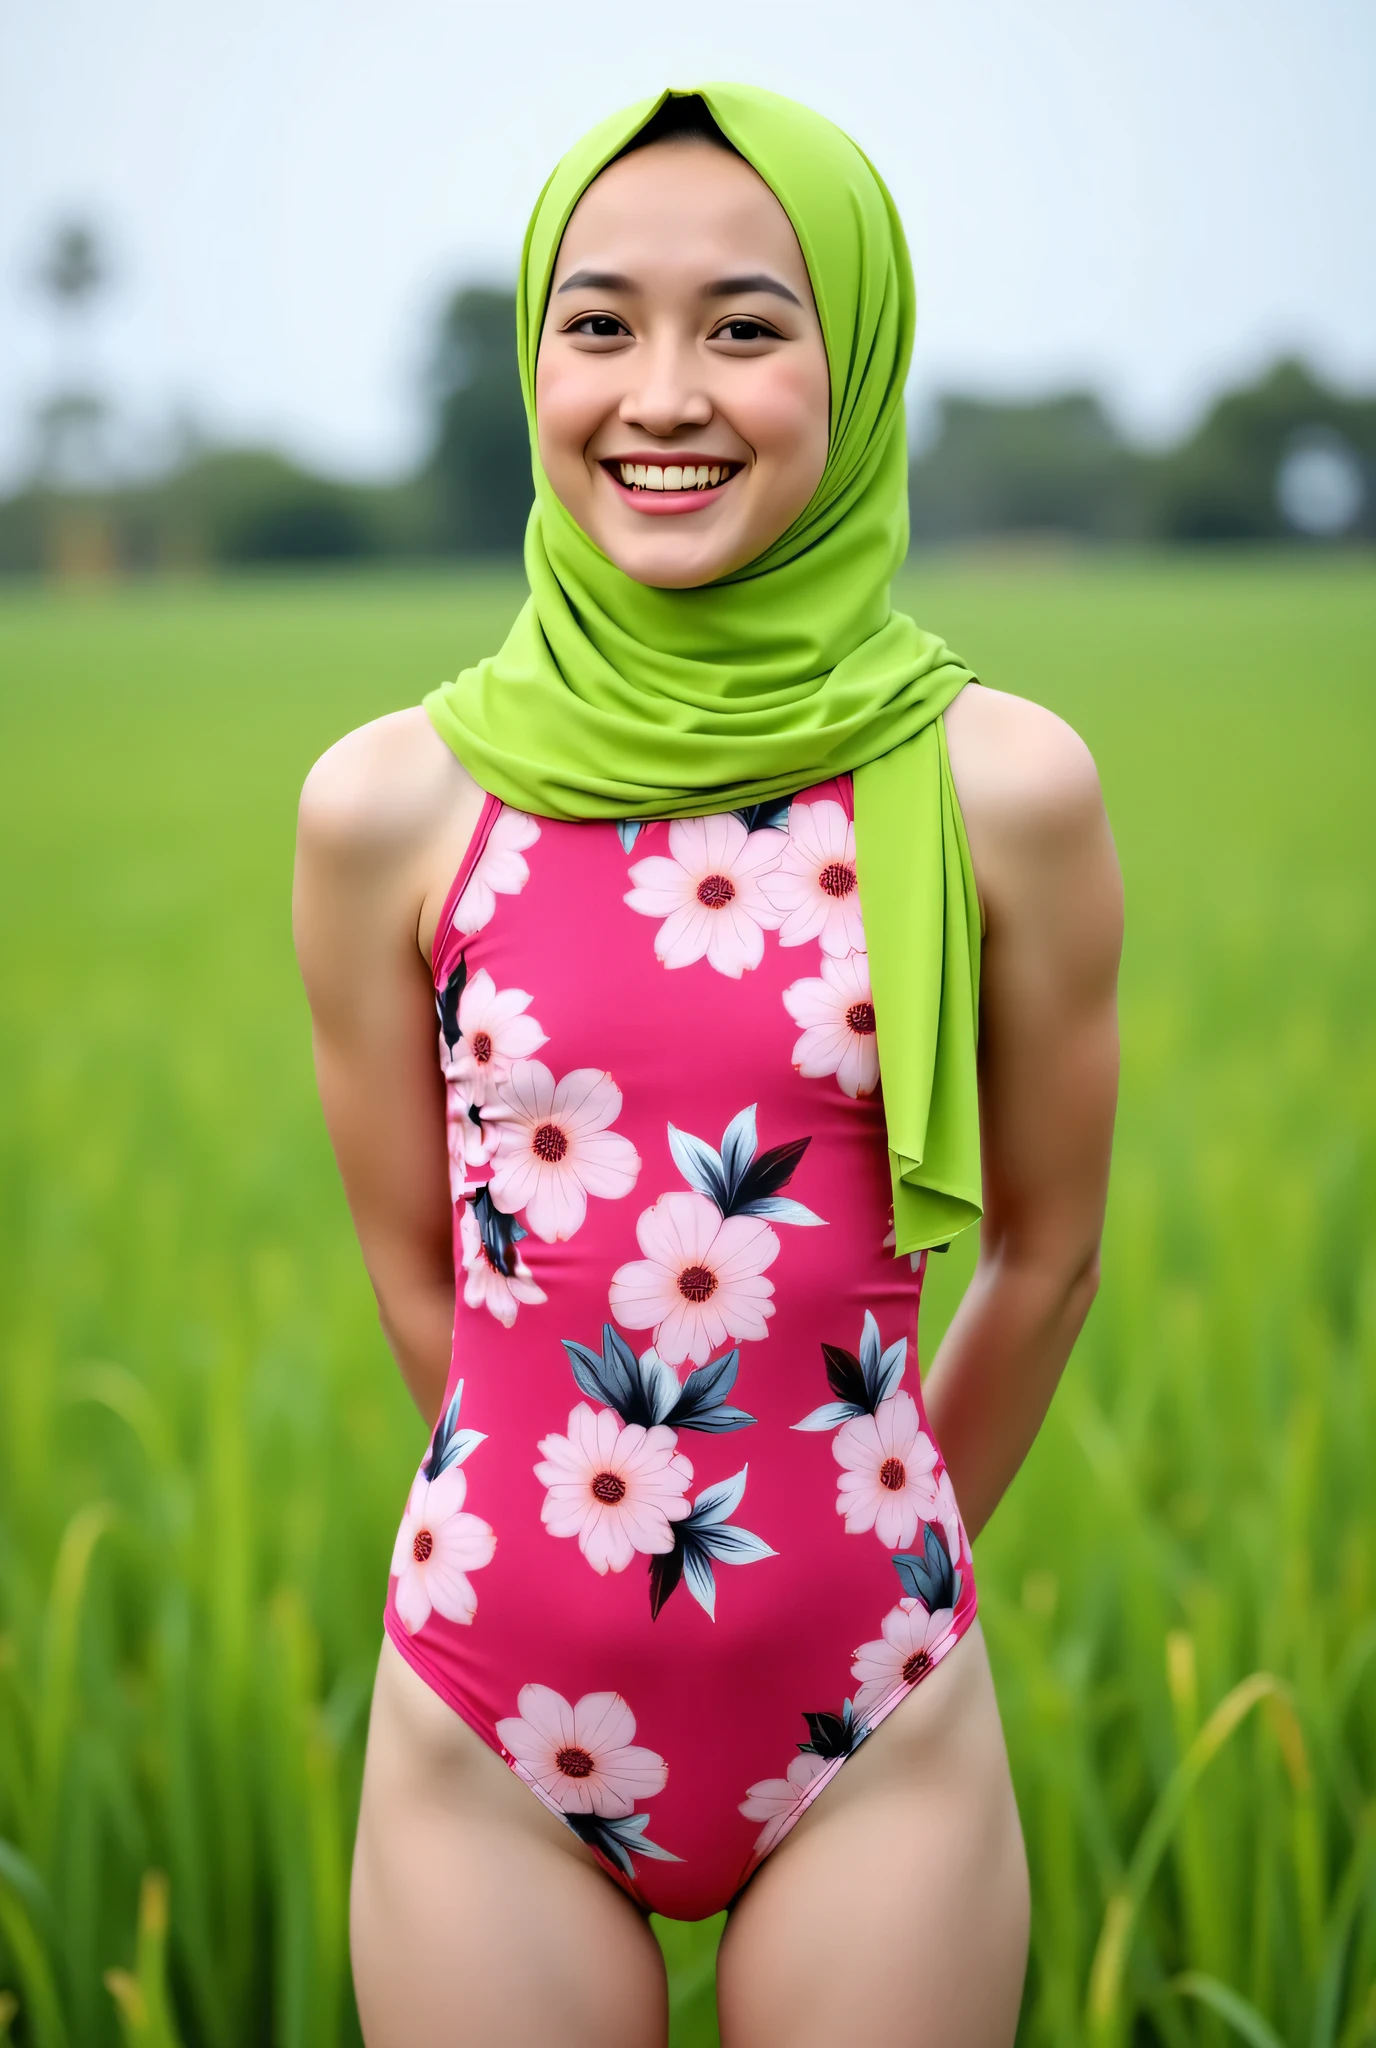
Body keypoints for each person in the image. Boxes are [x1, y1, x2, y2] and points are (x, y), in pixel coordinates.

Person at [293, 84, 1121, 2048]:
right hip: (493, 1696)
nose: (662, 391)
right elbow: (422, 1271)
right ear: (534, 358)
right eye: (599, 325)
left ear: (860, 356)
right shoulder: (392, 806)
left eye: (746, 326)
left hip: (876, 1695)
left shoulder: (994, 783)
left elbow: (1050, 1253)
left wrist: (864, 1532)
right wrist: (609, 1512)